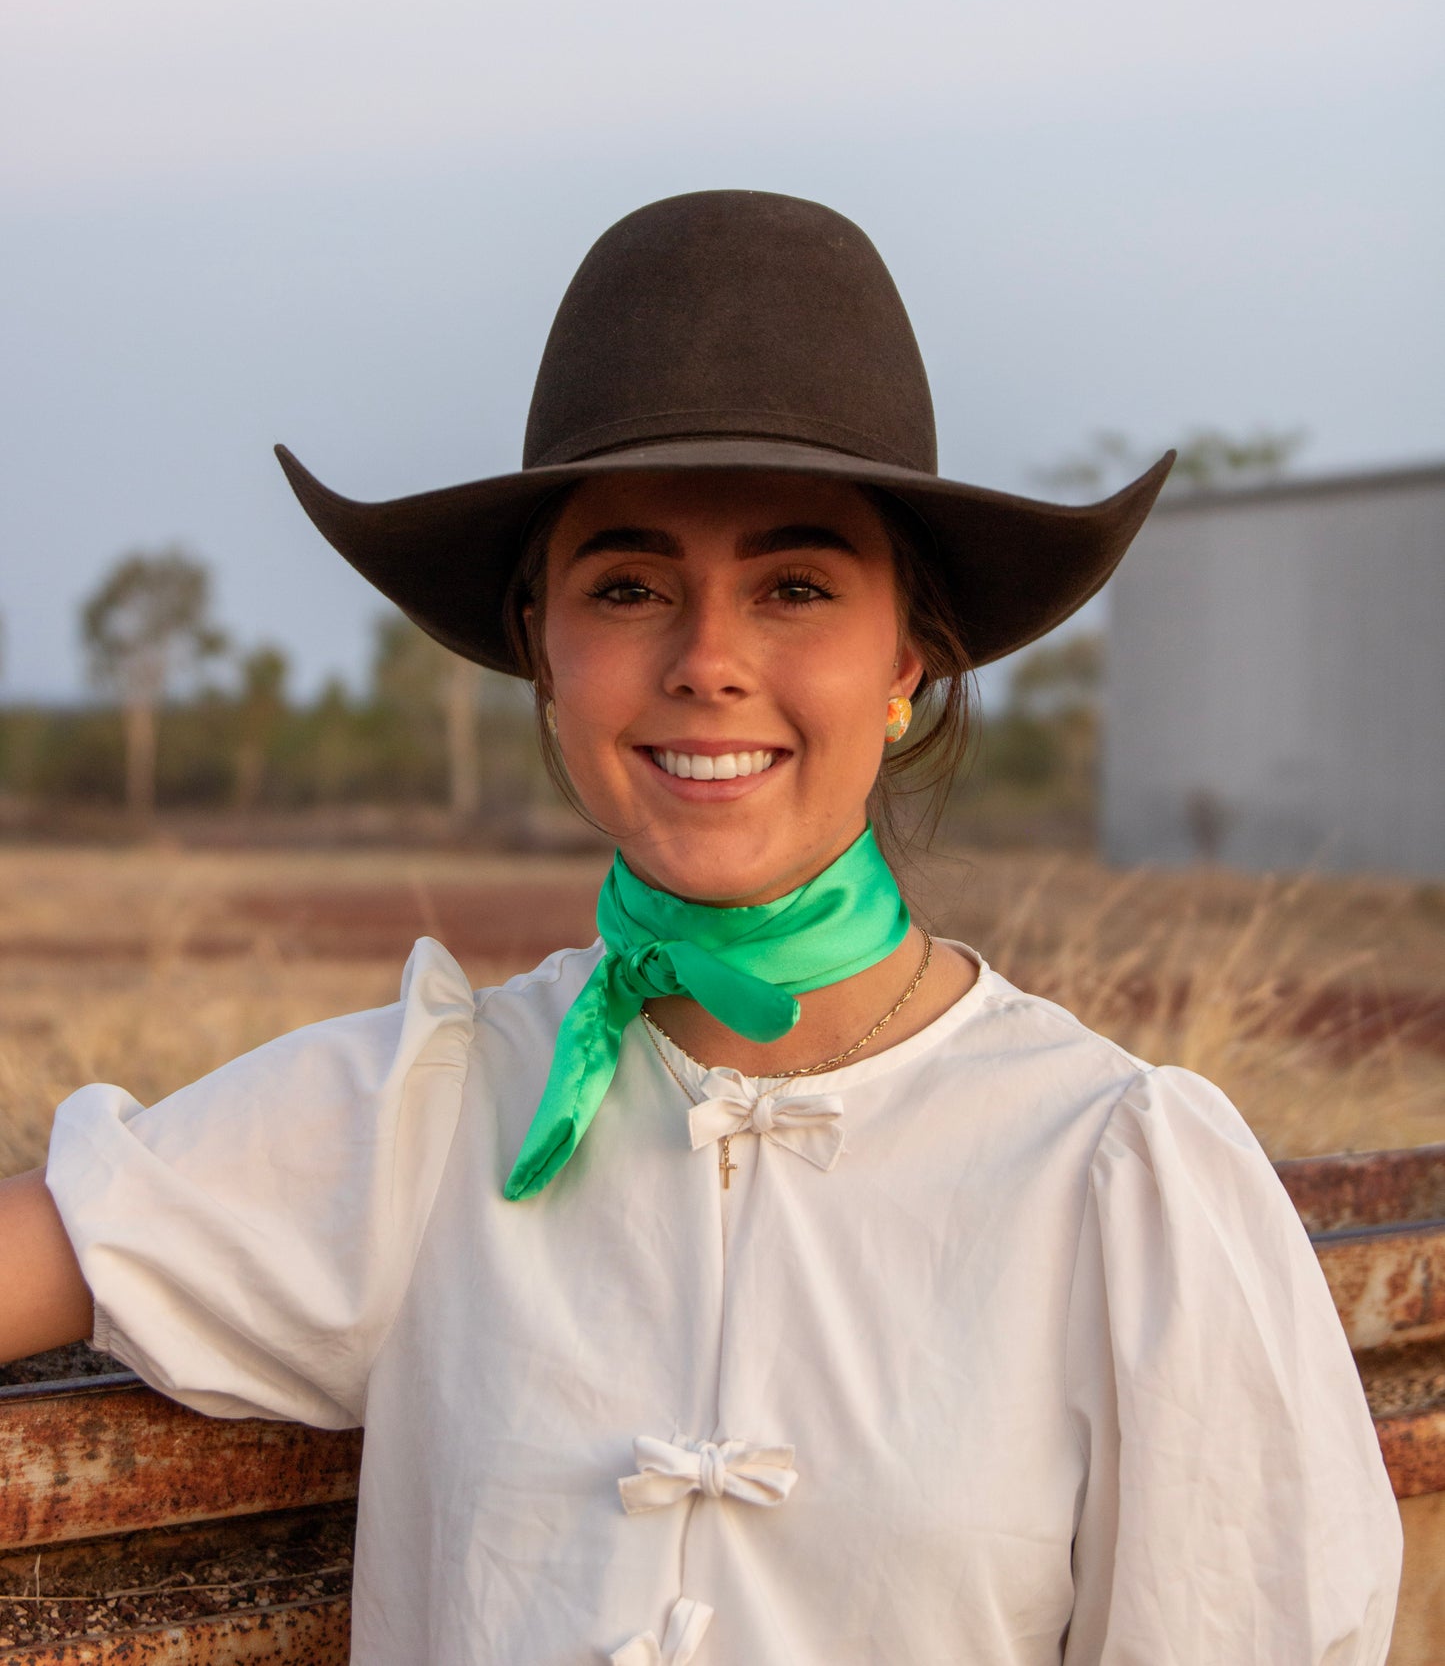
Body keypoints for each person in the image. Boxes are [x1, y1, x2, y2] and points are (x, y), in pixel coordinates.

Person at [1, 191, 1401, 1664]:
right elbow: (54, 1245)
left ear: (906, 654)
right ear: (543, 648)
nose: (708, 662)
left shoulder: (1114, 1177)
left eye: (795, 587)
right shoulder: (430, 1114)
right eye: (628, 586)